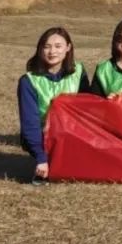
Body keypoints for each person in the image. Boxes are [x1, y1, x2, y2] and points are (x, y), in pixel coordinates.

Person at [17, 26, 89, 181]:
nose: (52, 52)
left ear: (68, 48)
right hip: (45, 136)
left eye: (58, 46)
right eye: (47, 47)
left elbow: (88, 109)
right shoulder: (28, 81)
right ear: (40, 49)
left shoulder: (79, 72)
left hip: (74, 134)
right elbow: (30, 123)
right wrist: (41, 157)